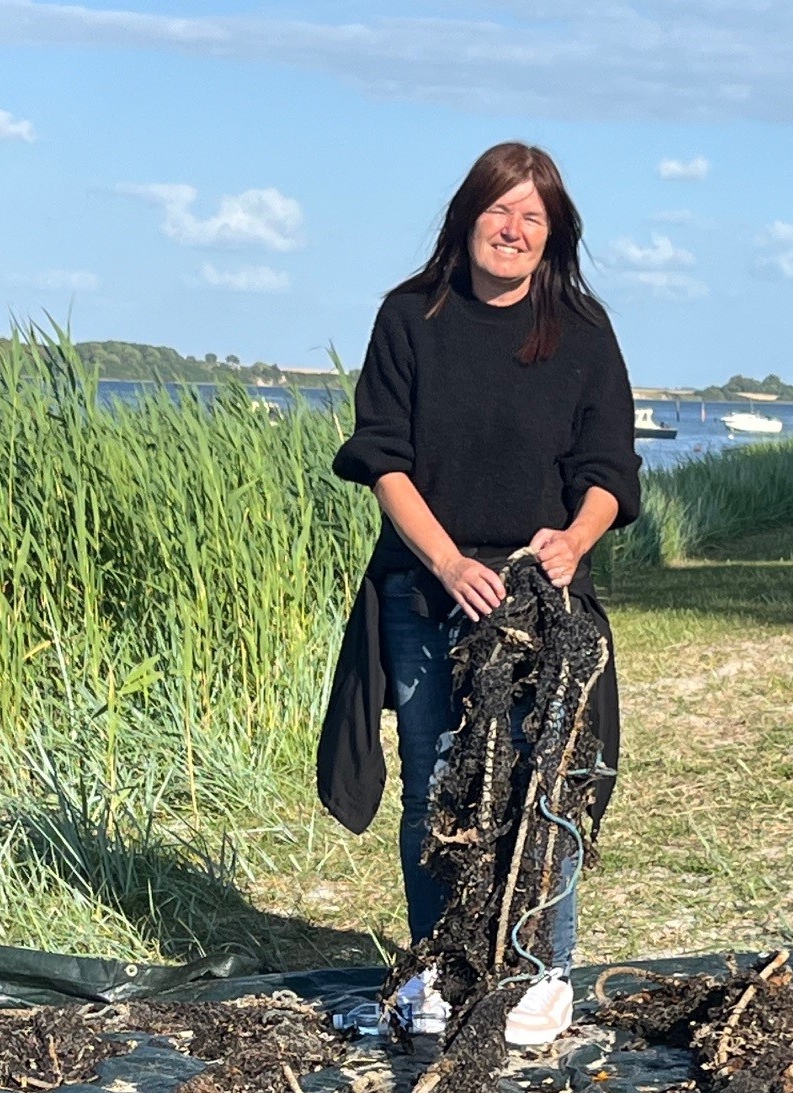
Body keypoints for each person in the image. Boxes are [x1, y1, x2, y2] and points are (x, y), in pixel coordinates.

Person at [318, 139, 641, 1046]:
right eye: (499, 210)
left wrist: (574, 541)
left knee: (546, 786)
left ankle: (541, 974)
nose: (513, 229)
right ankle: (440, 968)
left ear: (554, 235)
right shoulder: (409, 317)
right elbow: (382, 459)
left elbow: (610, 469)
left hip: (543, 603)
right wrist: (448, 563)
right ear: (466, 218)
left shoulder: (582, 331)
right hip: (427, 592)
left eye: (533, 217)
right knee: (435, 787)